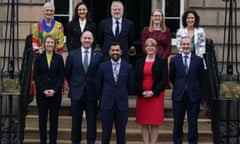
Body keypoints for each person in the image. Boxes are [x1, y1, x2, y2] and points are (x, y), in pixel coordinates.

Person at [65, 30, 103, 144]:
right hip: (77, 92)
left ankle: (91, 141)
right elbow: (68, 72)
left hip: (92, 93)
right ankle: (75, 141)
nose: (87, 40)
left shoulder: (99, 56)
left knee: (92, 121)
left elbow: (100, 75)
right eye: (85, 38)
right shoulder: (72, 54)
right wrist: (75, 84)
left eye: (89, 38)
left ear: (92, 40)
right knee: (76, 121)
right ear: (81, 39)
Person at [96, 42, 135, 144]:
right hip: (106, 105)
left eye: (117, 50)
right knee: (105, 134)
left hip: (122, 105)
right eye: (113, 50)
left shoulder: (128, 67)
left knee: (121, 134)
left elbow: (131, 86)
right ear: (109, 52)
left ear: (121, 52)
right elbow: (98, 85)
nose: (115, 52)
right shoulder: (102, 67)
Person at [169, 36, 204, 144]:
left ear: (191, 45)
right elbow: (172, 77)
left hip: (193, 96)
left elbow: (201, 78)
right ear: (180, 45)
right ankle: (177, 142)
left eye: (188, 44)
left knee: (193, 123)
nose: (186, 46)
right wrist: (181, 86)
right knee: (178, 123)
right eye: (184, 44)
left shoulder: (198, 60)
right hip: (179, 95)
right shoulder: (174, 60)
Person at [135, 38, 167, 144]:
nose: (150, 48)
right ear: (145, 48)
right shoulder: (139, 61)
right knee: (144, 122)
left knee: (154, 123)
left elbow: (164, 79)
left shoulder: (161, 62)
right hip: (142, 96)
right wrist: (141, 92)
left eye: (152, 46)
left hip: (156, 96)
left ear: (156, 48)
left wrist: (153, 92)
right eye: (148, 46)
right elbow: (135, 79)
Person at [33, 35, 64, 144]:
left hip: (55, 94)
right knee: (42, 120)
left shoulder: (59, 58)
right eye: (48, 42)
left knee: (54, 120)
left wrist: (54, 90)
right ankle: (43, 141)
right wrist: (43, 90)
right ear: (44, 44)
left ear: (54, 45)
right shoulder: (38, 58)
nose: (50, 44)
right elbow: (36, 76)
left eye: (52, 43)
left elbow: (61, 76)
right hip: (42, 94)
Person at [141, 9, 171, 89]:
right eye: (155, 16)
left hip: (162, 59)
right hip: (149, 59)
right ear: (152, 17)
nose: (157, 17)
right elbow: (144, 46)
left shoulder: (167, 31)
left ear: (162, 18)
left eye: (159, 16)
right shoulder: (146, 30)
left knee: (161, 81)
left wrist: (161, 58)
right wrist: (152, 56)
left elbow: (168, 47)